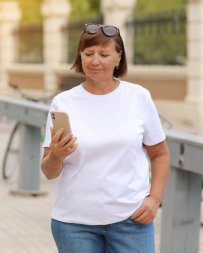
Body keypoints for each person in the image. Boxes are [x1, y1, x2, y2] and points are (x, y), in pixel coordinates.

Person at [41, 24, 170, 253]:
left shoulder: (138, 97)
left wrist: (154, 199)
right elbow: (49, 171)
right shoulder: (63, 102)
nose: (94, 61)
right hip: (74, 224)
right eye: (88, 54)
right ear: (80, 57)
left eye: (104, 54)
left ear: (119, 58)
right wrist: (57, 155)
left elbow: (159, 154)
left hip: (132, 221)